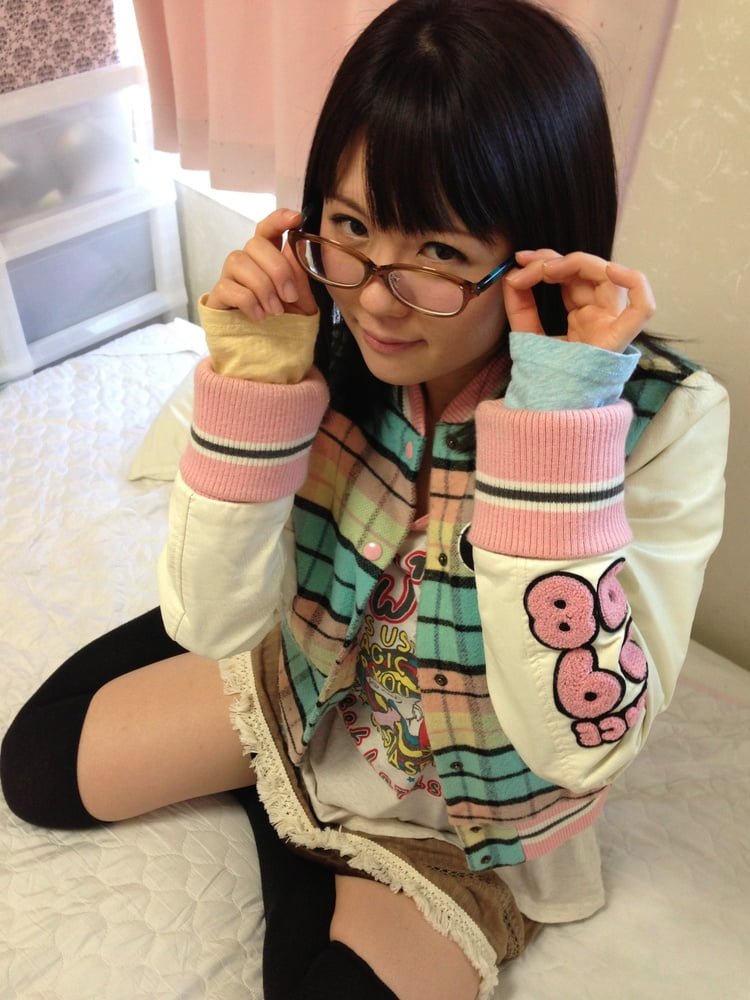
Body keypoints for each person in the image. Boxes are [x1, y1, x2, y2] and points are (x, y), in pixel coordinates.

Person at [1, 1, 729, 999]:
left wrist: (554, 441)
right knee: (37, 769)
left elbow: (577, 744)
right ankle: (287, 788)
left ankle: (308, 817)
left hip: (462, 804)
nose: (378, 297)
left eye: (440, 253)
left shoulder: (665, 419)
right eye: (350, 227)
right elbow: (212, 624)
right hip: (307, 678)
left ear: (539, 253)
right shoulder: (328, 332)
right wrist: (255, 387)